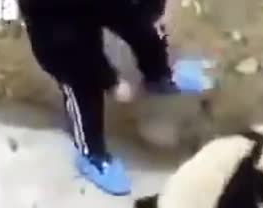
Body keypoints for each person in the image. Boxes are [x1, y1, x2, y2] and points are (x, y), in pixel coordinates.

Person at [18, 0, 211, 196]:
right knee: (82, 86)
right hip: (59, 36)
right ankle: (91, 155)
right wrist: (111, 82)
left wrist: (153, 10)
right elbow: (74, 51)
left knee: (137, 20)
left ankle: (159, 75)